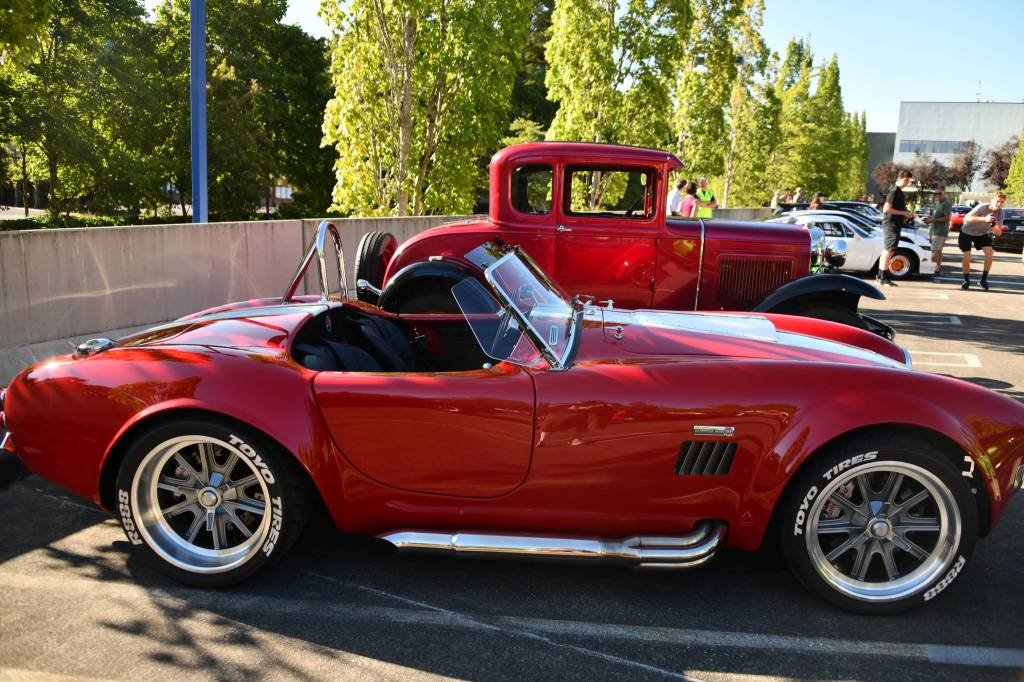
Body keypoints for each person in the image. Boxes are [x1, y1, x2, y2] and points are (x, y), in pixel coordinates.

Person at [959, 190, 1007, 290]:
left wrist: (993, 225)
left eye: (1002, 202)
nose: (999, 204)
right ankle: (966, 280)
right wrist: (984, 219)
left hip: (982, 234)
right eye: (997, 201)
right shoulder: (982, 207)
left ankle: (983, 280)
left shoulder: (1001, 213)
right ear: (992, 200)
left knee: (989, 253)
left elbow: (998, 233)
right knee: (967, 255)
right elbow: (967, 218)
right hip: (967, 232)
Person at [879, 170, 915, 286]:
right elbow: (886, 209)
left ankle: (881, 276)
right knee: (889, 250)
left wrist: (905, 213)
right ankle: (882, 278)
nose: (907, 182)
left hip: (894, 224)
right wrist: (904, 213)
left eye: (908, 180)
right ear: (899, 178)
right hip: (891, 224)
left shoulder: (898, 191)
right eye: (905, 180)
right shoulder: (894, 191)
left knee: (889, 250)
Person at [922, 186, 952, 274]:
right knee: (937, 250)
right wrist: (928, 219)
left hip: (940, 231)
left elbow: (947, 218)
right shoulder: (937, 202)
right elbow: (936, 216)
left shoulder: (946, 203)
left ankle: (936, 268)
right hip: (934, 229)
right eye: (936, 194)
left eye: (939, 193)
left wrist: (933, 220)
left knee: (935, 251)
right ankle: (936, 267)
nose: (937, 195)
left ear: (944, 193)